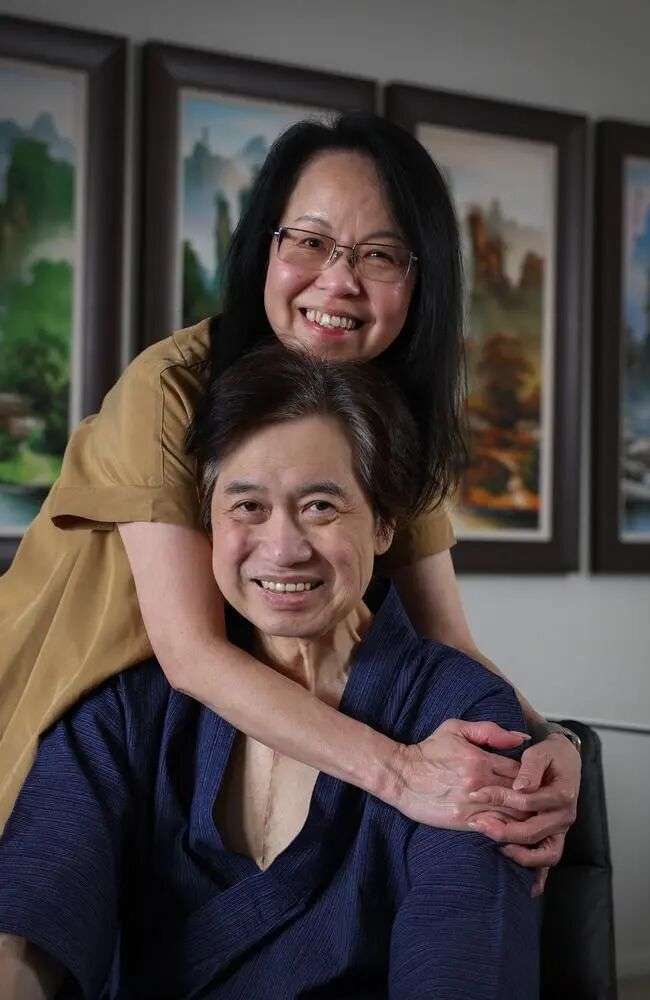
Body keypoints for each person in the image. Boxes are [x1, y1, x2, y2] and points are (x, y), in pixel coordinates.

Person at [0, 114, 579, 883]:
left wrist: (558, 749)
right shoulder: (171, 387)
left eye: (379, 255)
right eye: (307, 242)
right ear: (263, 251)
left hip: (201, 747)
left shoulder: (389, 416)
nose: (337, 282)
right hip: (68, 719)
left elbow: (451, 643)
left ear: (422, 279)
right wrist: (404, 775)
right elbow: (192, 656)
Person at [0, 347, 540, 999]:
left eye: (319, 507)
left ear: (385, 525)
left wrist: (554, 741)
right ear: (207, 523)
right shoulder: (127, 705)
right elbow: (32, 914)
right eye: (248, 507)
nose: (282, 548)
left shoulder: (463, 716)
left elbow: (461, 964)